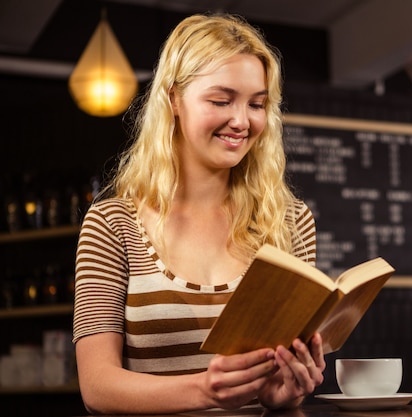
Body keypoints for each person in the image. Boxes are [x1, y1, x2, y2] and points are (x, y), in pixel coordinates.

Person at [72, 13, 325, 414]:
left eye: (257, 104)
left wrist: (285, 394)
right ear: (173, 99)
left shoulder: (291, 221)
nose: (242, 121)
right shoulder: (111, 224)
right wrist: (204, 392)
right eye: (221, 101)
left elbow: (281, 383)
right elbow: (98, 386)